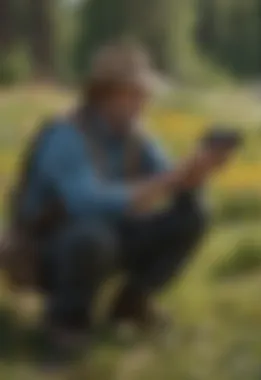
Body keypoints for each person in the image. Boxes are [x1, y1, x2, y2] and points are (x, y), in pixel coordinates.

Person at [2, 41, 234, 364]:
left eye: (145, 94)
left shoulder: (137, 136)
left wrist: (195, 174)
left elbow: (169, 179)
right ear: (107, 94)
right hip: (48, 250)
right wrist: (167, 181)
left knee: (192, 214)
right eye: (137, 93)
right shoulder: (64, 135)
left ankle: (131, 304)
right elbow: (85, 201)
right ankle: (66, 321)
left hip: (106, 238)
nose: (145, 102)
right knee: (91, 235)